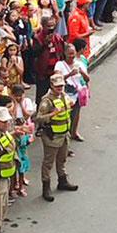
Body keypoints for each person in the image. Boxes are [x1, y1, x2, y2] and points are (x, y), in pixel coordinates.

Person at [34, 73, 78, 202]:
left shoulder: (64, 96)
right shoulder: (46, 101)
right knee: (48, 163)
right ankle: (46, 187)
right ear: (52, 86)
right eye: (57, 86)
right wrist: (53, 113)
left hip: (64, 135)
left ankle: (62, 181)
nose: (60, 88)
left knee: (62, 160)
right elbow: (38, 118)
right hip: (52, 136)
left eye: (61, 86)